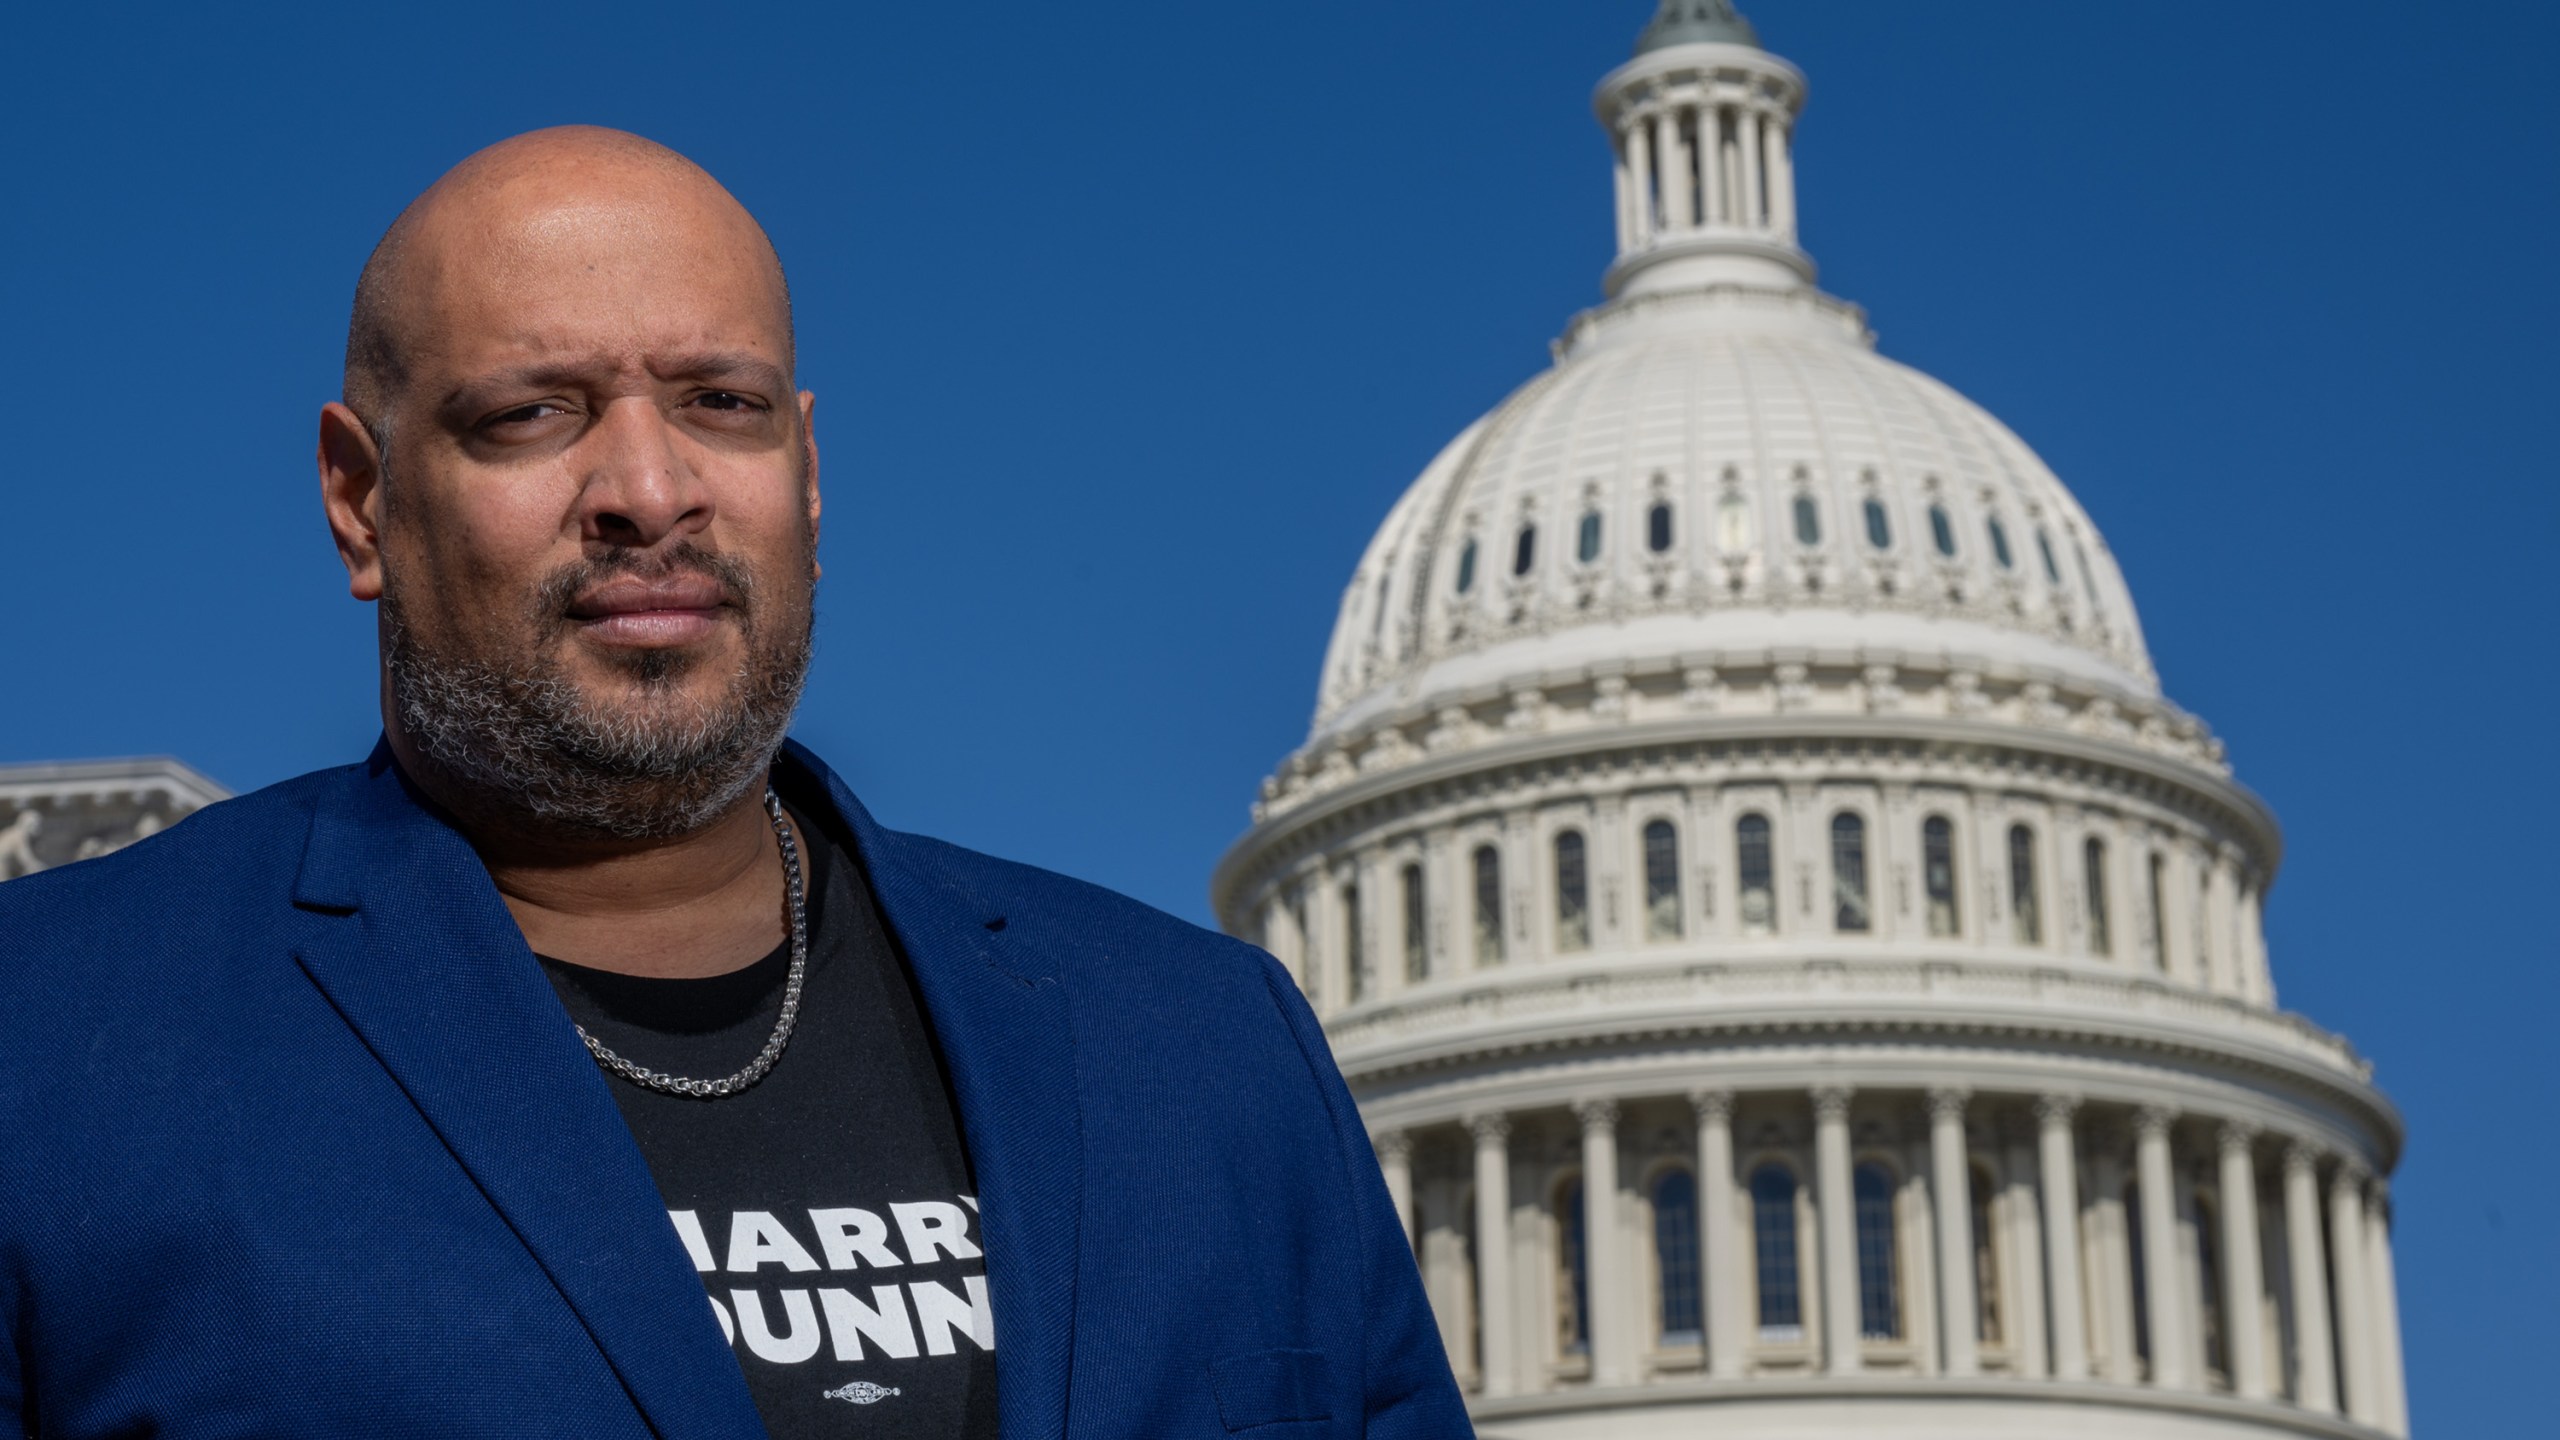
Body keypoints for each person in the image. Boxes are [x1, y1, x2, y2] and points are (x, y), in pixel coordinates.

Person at [0, 127, 1469, 1440]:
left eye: (720, 402)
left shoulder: (1206, 1054)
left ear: (810, 481)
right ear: (362, 498)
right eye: (531, 413)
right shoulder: (57, 1045)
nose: (650, 489)